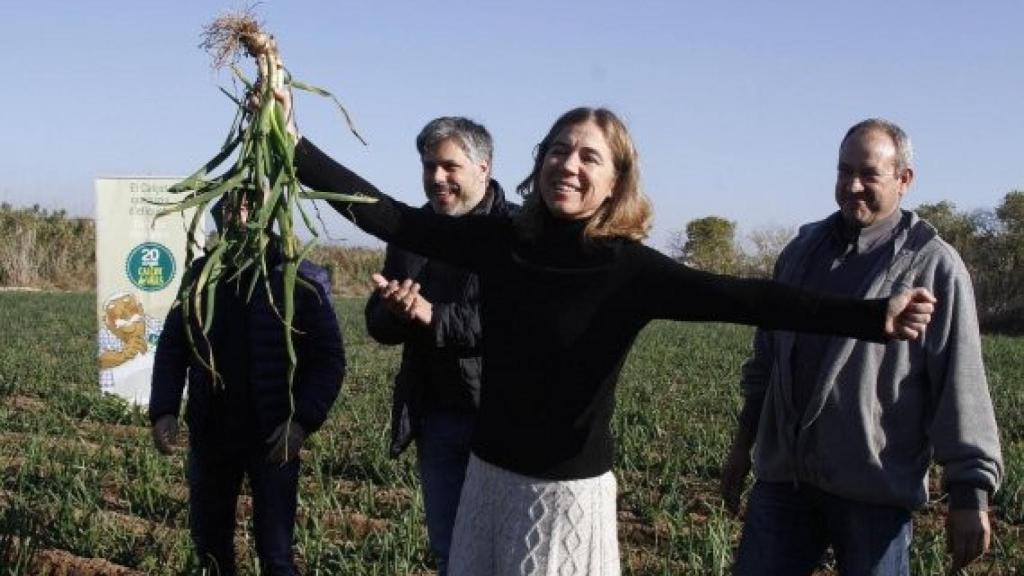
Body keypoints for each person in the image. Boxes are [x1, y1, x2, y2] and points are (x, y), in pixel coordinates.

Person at [288, 96, 935, 575]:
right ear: (539, 162)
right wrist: (293, 145)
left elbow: (746, 298)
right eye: (558, 150)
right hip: (488, 479)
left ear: (616, 180)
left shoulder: (627, 270)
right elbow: (390, 218)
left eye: (588, 156)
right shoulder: (501, 240)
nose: (568, 165)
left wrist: (870, 316)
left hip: (562, 498)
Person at [720, 119, 1002, 576]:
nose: (853, 186)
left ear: (904, 179)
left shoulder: (932, 266)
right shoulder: (801, 253)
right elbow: (765, 361)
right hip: (785, 483)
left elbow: (959, 382)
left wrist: (970, 493)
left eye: (869, 174)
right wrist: (742, 446)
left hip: (874, 492)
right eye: (844, 171)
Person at [148, 200, 346, 576]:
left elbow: (329, 361)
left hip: (273, 436)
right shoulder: (201, 276)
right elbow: (173, 346)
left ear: (267, 213)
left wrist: (301, 422)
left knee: (275, 555)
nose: (236, 216)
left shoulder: (298, 277)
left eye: (246, 206)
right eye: (228, 208)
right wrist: (164, 409)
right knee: (210, 550)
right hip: (212, 434)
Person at [365, 116, 516, 575]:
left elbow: (515, 319)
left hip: (503, 419)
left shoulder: (516, 232)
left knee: (507, 551)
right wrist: (394, 312)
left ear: (484, 168)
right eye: (429, 166)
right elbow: (379, 325)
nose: (436, 177)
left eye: (450, 166)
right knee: (451, 551)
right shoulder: (414, 232)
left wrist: (434, 316)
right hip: (437, 418)